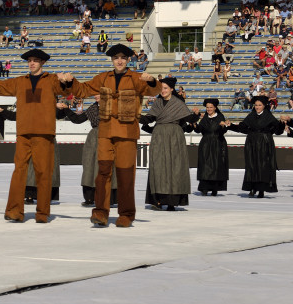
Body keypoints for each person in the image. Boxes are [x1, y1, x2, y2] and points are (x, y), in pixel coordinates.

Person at [63, 44, 157, 227]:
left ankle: (126, 214)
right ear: (112, 60)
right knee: (103, 173)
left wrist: (152, 80)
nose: (119, 61)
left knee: (125, 175)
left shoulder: (137, 78)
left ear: (128, 59)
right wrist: (71, 81)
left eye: (123, 57)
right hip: (106, 132)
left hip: (127, 133)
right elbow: (83, 90)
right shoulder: (103, 77)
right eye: (116, 58)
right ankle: (100, 213)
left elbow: (153, 90)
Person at [0, 49, 68, 223]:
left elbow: (67, 91)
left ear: (42, 63)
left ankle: (43, 213)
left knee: (44, 173)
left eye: (36, 60)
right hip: (23, 134)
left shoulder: (52, 80)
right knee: (19, 172)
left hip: (44, 134)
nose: (32, 63)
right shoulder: (20, 81)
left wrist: (67, 80)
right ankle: (14, 210)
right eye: (30, 60)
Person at [140, 78, 197, 211]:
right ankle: (157, 200)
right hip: (159, 136)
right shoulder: (157, 103)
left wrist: (196, 115)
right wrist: (136, 116)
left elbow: (189, 119)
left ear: (172, 89)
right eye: (161, 88)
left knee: (174, 167)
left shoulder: (178, 103)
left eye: (165, 88)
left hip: (174, 136)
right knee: (158, 167)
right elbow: (148, 119)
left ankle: (172, 201)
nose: (163, 91)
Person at [228, 95, 288, 197]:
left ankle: (261, 190)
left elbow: (277, 131)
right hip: (251, 143)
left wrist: (282, 124)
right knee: (251, 165)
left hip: (265, 143)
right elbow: (242, 128)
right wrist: (230, 126)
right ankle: (252, 187)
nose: (257, 107)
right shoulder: (251, 116)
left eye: (259, 105)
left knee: (263, 166)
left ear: (264, 106)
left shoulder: (269, 117)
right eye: (256, 105)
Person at [66, 100, 117, 207]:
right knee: (89, 167)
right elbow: (78, 119)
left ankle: (109, 198)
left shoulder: (113, 105)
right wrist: (66, 109)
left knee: (108, 167)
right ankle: (89, 197)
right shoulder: (92, 108)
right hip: (94, 138)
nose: (96, 95)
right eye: (96, 93)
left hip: (109, 136)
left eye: (99, 93)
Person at [193, 98, 230, 196]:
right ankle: (204, 188)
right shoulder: (205, 117)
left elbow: (223, 131)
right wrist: (195, 125)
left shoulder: (220, 117)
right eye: (207, 107)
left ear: (215, 108)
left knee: (216, 166)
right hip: (205, 143)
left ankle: (215, 188)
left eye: (211, 107)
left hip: (218, 143)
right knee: (205, 166)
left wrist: (223, 126)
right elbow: (199, 130)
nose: (209, 109)